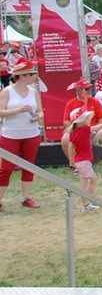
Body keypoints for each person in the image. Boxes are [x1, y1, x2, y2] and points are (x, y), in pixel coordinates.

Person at [0, 58, 44, 209]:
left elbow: (40, 110)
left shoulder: (33, 92)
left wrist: (38, 117)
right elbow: (1, 112)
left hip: (31, 134)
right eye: (31, 74)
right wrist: (17, 110)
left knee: (29, 165)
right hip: (10, 134)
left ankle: (26, 197)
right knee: (6, 168)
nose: (34, 77)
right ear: (22, 76)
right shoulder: (7, 91)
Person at [64, 109, 102, 212]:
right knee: (85, 183)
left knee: (92, 179)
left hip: (80, 161)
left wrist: (71, 160)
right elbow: (100, 127)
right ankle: (86, 204)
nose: (88, 120)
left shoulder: (73, 133)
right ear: (80, 122)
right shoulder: (85, 130)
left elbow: (70, 147)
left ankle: (90, 201)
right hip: (84, 161)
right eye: (85, 118)